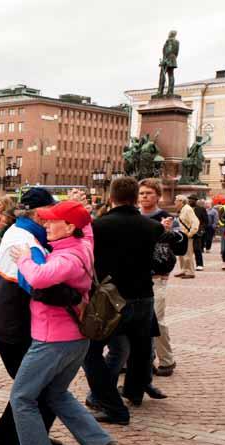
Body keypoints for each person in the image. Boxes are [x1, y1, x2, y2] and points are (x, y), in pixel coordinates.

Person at [8, 201, 119, 445]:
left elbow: (39, 278)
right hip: (74, 338)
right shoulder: (81, 245)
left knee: (22, 398)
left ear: (70, 227)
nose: (45, 224)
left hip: (52, 339)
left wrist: (24, 256)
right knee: (56, 393)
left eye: (51, 220)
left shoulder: (67, 258)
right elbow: (88, 228)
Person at [83, 176, 165, 425]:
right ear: (134, 197)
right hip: (143, 295)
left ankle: (105, 399)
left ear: (111, 198)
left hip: (112, 298)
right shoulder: (153, 227)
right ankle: (134, 392)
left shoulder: (98, 226)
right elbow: (163, 260)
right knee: (140, 348)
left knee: (91, 351)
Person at [0, 187, 64, 445]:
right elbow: (39, 284)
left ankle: (31, 435)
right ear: (37, 212)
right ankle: (4, 439)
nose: (53, 216)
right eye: (50, 210)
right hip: (13, 326)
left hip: (11, 323)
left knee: (40, 385)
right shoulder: (26, 239)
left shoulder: (25, 233)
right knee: (33, 387)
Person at [139, 178, 176, 376]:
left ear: (158, 196)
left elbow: (174, 248)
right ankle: (135, 359)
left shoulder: (165, 217)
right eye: (142, 193)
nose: (144, 196)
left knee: (157, 319)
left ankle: (167, 359)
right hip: (136, 275)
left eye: (149, 193)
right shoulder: (134, 216)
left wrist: (166, 231)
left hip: (157, 276)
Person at [174, 195, 199, 278]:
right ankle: (183, 270)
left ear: (181, 201)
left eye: (176, 200)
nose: (175, 202)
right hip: (182, 235)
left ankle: (190, 272)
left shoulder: (188, 209)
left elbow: (195, 222)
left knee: (188, 254)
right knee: (181, 254)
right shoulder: (183, 209)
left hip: (187, 235)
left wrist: (191, 233)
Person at [188, 195, 208, 271]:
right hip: (187, 231)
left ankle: (199, 264)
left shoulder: (201, 209)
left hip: (197, 231)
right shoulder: (185, 209)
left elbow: (205, 221)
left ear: (196, 201)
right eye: (189, 200)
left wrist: (202, 229)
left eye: (192, 200)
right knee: (187, 250)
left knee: (197, 248)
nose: (190, 201)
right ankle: (188, 265)